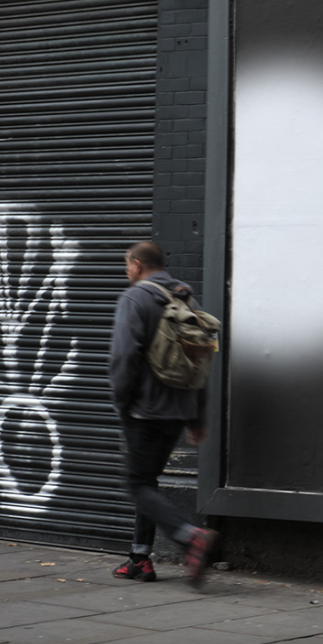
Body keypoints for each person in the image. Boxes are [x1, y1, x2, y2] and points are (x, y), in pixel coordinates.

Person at [108, 240, 218, 586]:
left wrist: (122, 403)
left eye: (127, 266)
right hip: (178, 410)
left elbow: (124, 357)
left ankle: (190, 536)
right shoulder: (186, 299)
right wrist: (197, 417)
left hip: (145, 410)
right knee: (148, 481)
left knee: (137, 483)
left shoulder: (135, 298)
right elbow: (201, 363)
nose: (127, 272)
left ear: (138, 265)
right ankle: (140, 559)